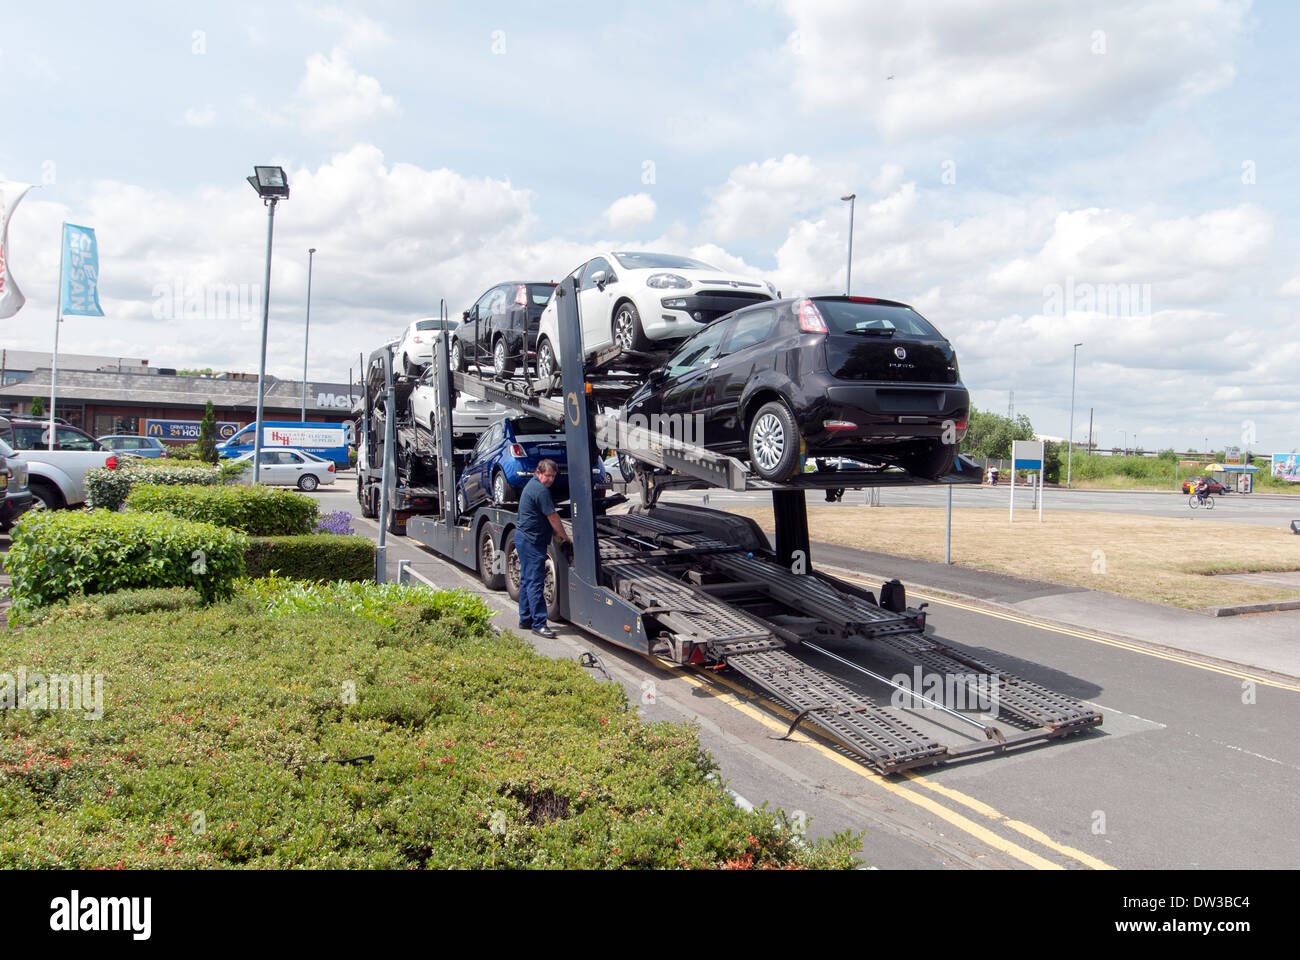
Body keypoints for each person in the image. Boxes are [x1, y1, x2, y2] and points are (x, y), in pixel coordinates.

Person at [514, 458, 570, 638]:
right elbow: (552, 517)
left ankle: (525, 618)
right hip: (532, 542)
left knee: (526, 580)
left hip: (524, 538)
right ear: (538, 473)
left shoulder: (532, 485)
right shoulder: (540, 490)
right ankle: (539, 624)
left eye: (553, 476)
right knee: (535, 583)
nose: (551, 480)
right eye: (548, 476)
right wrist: (564, 537)